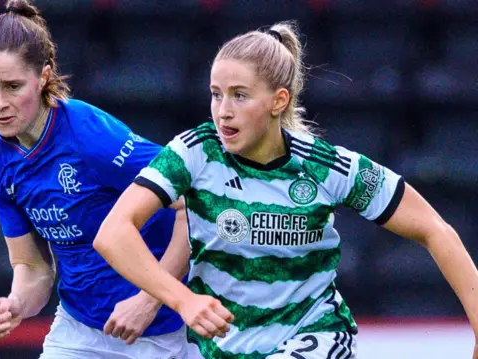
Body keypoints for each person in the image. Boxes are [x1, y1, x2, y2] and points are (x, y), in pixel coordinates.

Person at [93, 21, 478, 359]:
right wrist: (182, 299)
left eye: (239, 95)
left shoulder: (326, 167)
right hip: (218, 345)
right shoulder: (194, 153)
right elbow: (113, 233)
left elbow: (435, 229)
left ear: (279, 101)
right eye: (216, 93)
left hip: (313, 333)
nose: (223, 110)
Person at [0, 1, 200, 358]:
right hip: (78, 331)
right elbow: (32, 267)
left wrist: (150, 300)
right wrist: (16, 303)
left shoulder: (91, 137)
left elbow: (195, 202)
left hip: (164, 333)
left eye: (13, 86)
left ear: (43, 76)